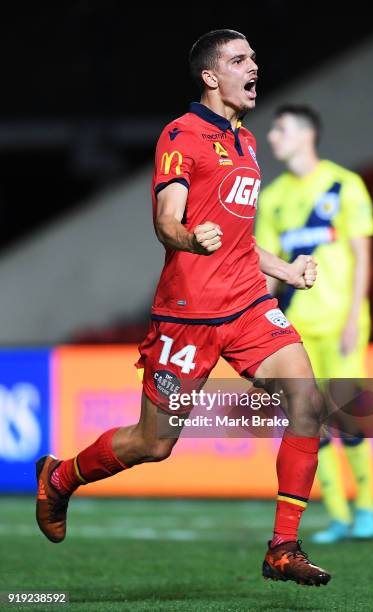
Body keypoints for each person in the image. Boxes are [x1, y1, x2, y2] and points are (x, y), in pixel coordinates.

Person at [35, 31, 331, 586]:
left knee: (308, 400)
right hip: (187, 318)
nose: (255, 66)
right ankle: (59, 480)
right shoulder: (181, 134)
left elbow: (239, 240)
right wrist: (191, 239)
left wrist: (285, 270)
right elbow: (165, 220)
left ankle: (282, 547)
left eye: (255, 58)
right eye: (241, 59)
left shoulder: (244, 143)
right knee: (154, 444)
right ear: (211, 76)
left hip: (245, 305)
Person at [256, 104, 373, 543]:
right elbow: (269, 272)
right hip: (297, 329)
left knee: (347, 417)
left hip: (342, 322)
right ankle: (339, 515)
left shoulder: (344, 185)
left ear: (306, 135)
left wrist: (352, 316)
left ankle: (366, 509)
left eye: (280, 129)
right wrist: (260, 329)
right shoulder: (271, 199)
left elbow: (363, 256)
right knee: (308, 419)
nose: (272, 137)